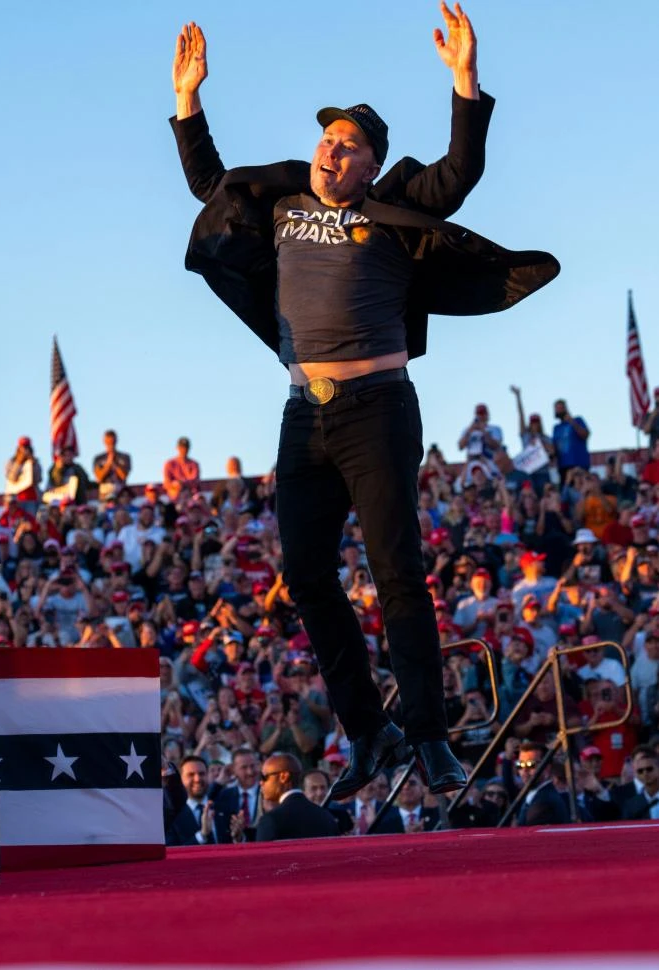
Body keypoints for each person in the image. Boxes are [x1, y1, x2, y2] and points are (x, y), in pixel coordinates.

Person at [170, 8, 557, 800]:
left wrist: (464, 81)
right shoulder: (283, 204)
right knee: (306, 576)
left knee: (397, 572)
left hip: (378, 407)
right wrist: (188, 101)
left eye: (348, 145)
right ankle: (369, 732)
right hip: (302, 413)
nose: (331, 150)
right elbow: (214, 186)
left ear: (371, 164)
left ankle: (429, 737)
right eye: (326, 139)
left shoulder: (390, 207)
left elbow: (458, 173)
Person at [255, 753, 341, 842]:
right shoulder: (326, 817)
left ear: (283, 777)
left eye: (264, 777)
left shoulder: (271, 820)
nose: (261, 782)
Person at [551, 399, 591, 479]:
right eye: (557, 409)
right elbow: (554, 448)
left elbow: (585, 435)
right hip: (563, 467)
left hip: (579, 464)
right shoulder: (556, 428)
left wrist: (572, 422)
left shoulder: (578, 420)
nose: (558, 410)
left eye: (560, 408)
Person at [92, 429, 132, 501]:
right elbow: (99, 478)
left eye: (112, 442)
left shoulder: (125, 457)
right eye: (108, 442)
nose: (110, 444)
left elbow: (124, 476)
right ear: (104, 441)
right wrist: (108, 464)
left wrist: (114, 465)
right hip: (105, 490)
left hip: (120, 490)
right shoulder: (98, 458)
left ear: (116, 441)